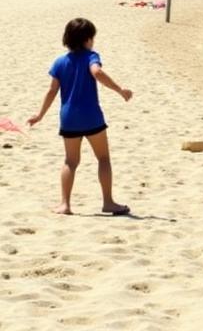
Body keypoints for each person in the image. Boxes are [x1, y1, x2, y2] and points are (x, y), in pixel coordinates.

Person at [27, 18, 132, 215]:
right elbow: (97, 72)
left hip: (69, 119)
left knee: (70, 161)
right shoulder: (91, 56)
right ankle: (108, 202)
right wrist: (120, 90)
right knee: (103, 158)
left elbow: (51, 91)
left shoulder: (59, 62)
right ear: (87, 39)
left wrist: (40, 115)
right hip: (91, 116)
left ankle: (65, 204)